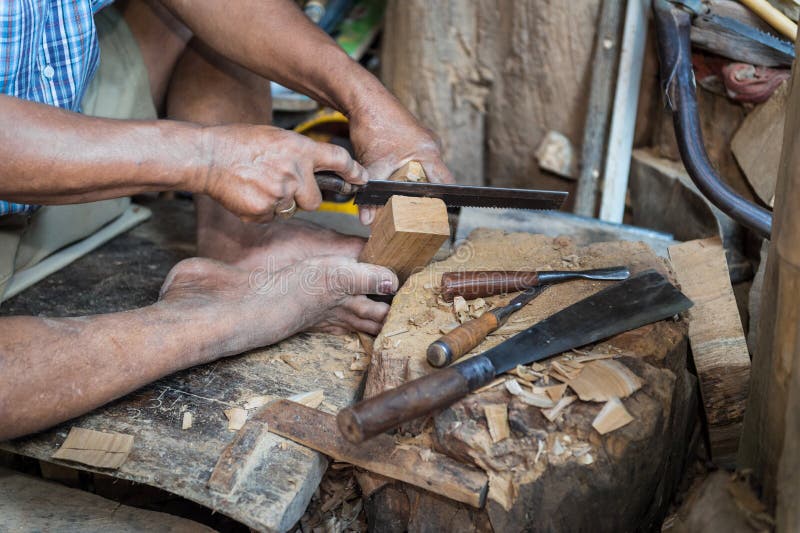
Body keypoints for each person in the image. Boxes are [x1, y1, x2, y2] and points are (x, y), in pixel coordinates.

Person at [0, 0, 453, 441]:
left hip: (58, 101)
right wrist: (208, 157)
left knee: (217, 28)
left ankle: (243, 244)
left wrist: (367, 101)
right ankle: (210, 313)